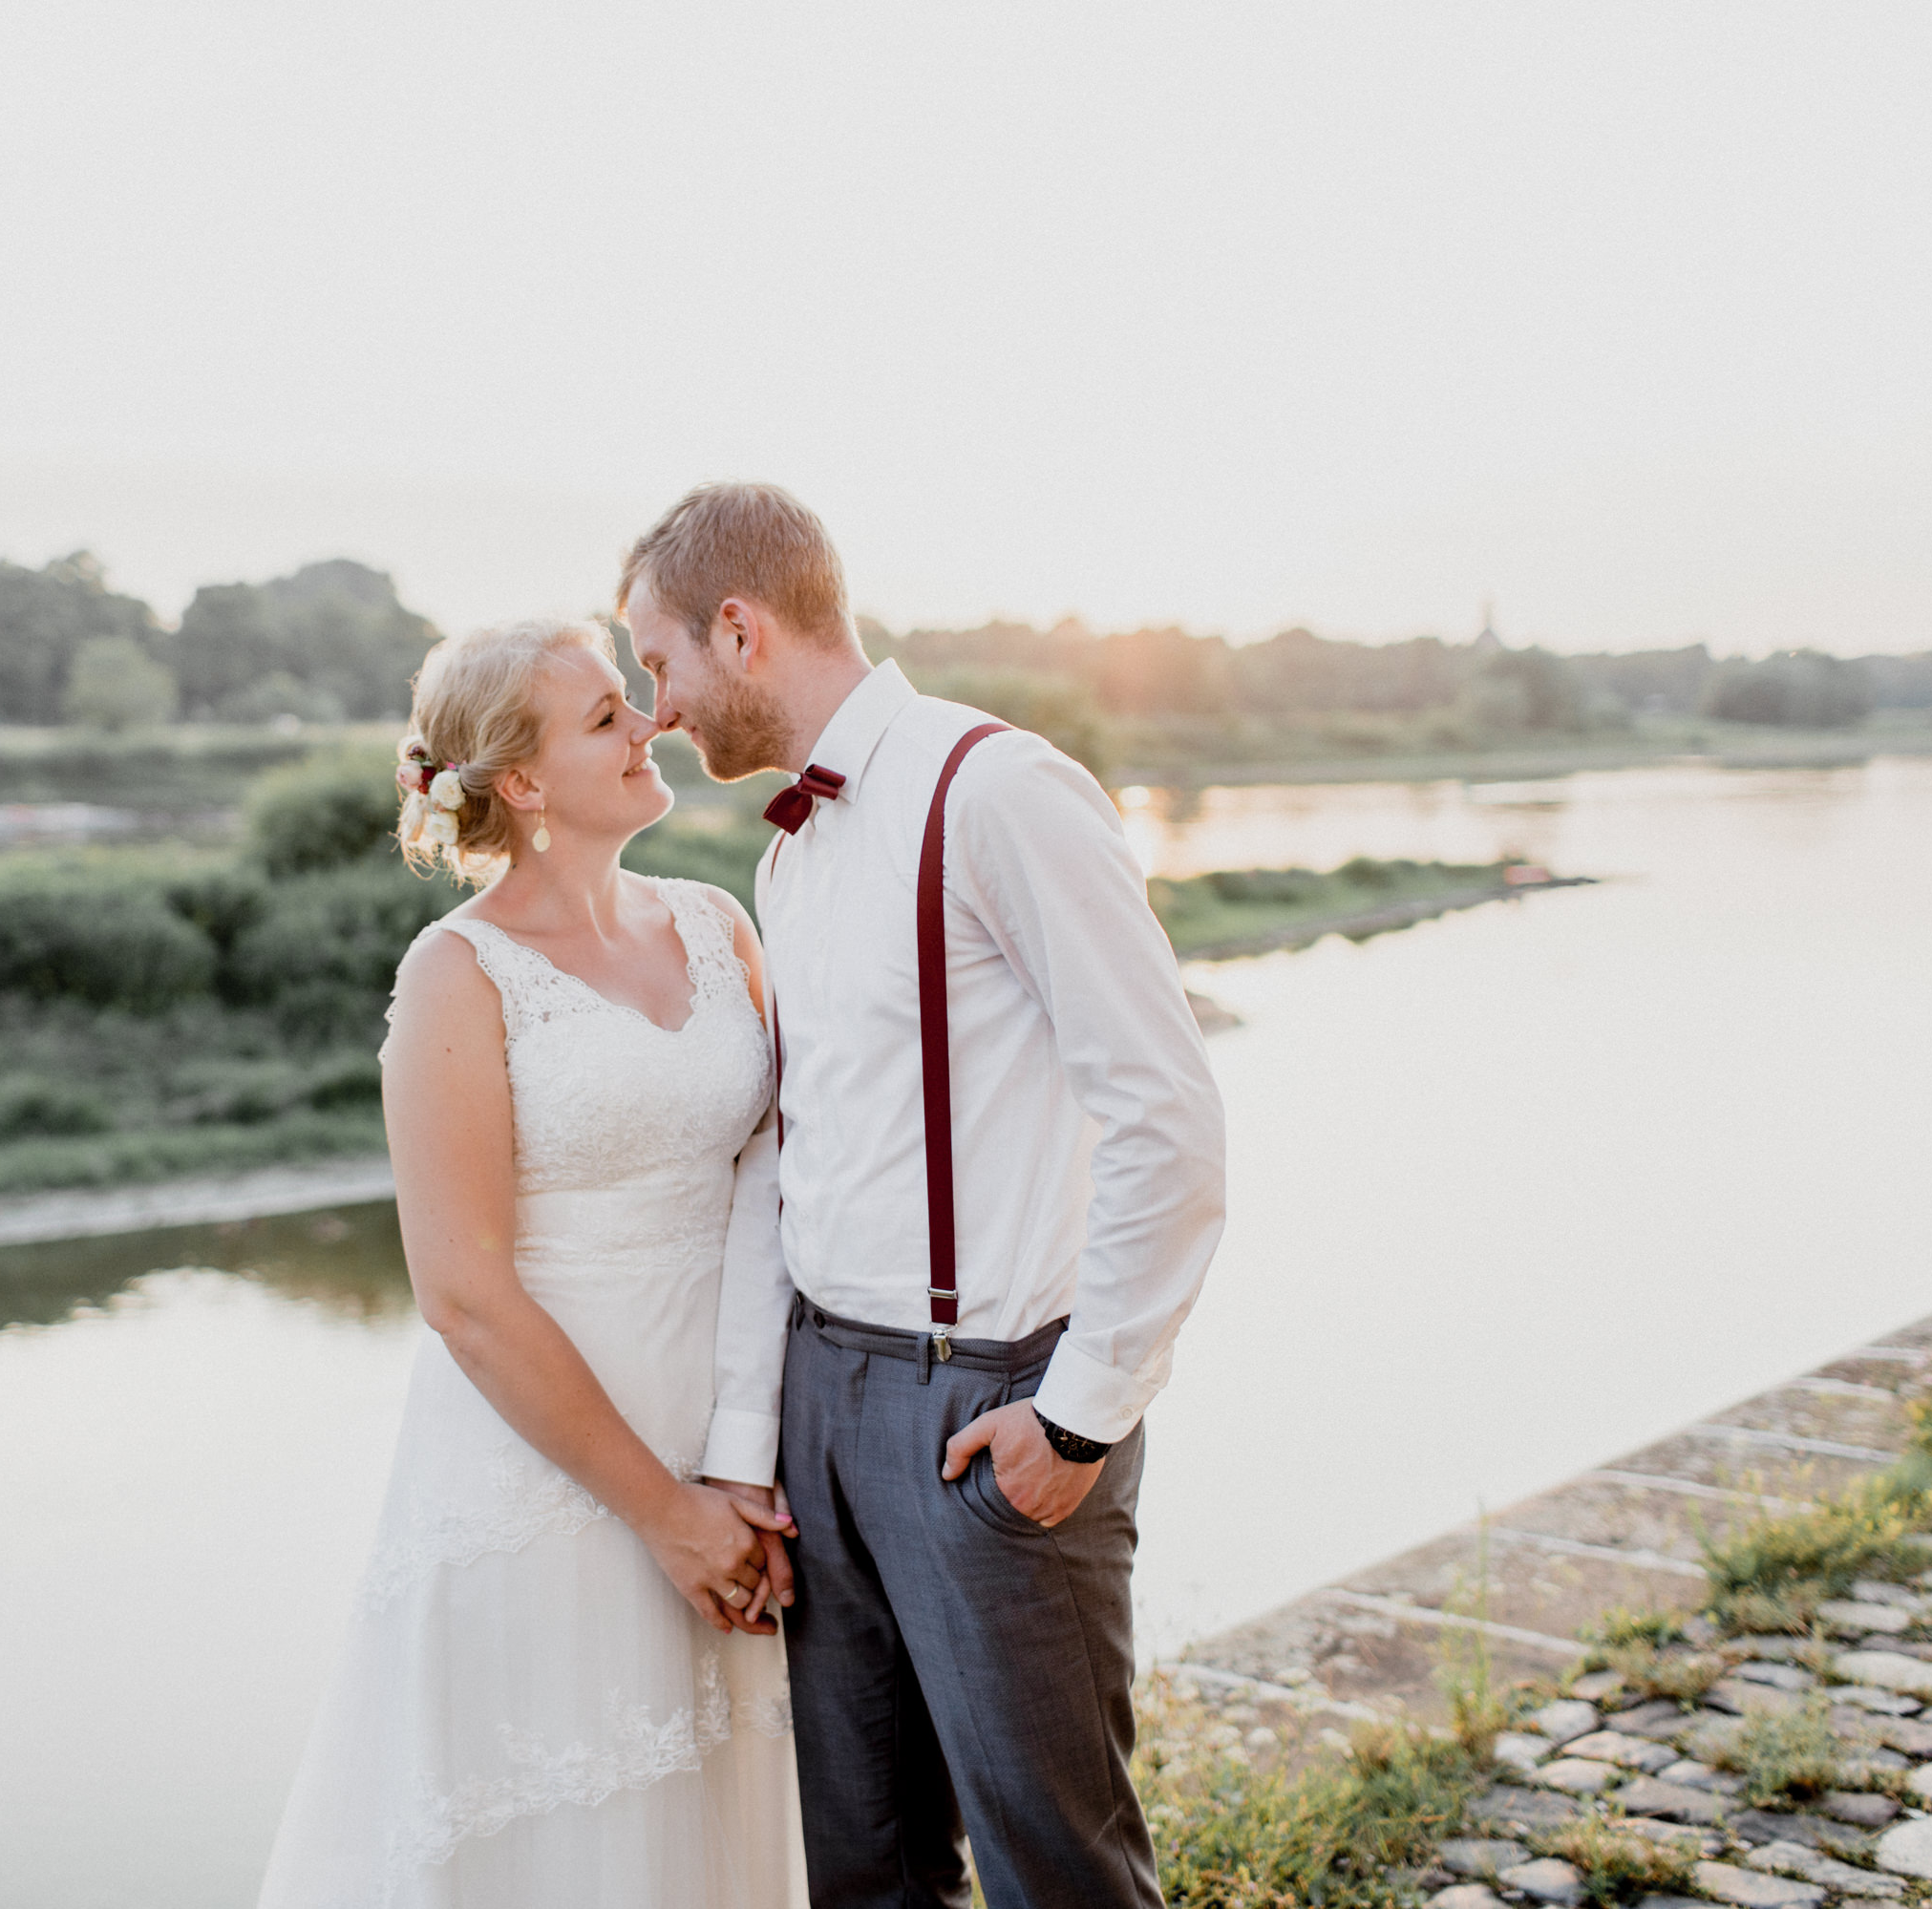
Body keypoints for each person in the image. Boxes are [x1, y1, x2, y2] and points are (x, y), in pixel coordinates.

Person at [621, 484, 1228, 1909]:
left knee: (1057, 1872)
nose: (654, 707)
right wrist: (752, 1441)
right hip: (825, 1403)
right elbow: (791, 1158)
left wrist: (1081, 1414)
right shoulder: (791, 853)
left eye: (658, 663)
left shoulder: (1000, 792)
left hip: (992, 1416)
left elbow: (1170, 1117)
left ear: (739, 627)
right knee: (867, 1869)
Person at [257, 617, 809, 1908]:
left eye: (634, 702)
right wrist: (668, 1516)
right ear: (519, 780)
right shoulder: (458, 976)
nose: (649, 726)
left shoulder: (718, 922)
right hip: (547, 1474)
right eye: (606, 717)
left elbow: (778, 1182)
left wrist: (739, 1455)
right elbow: (463, 1294)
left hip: (728, 1445)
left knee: (718, 1821)